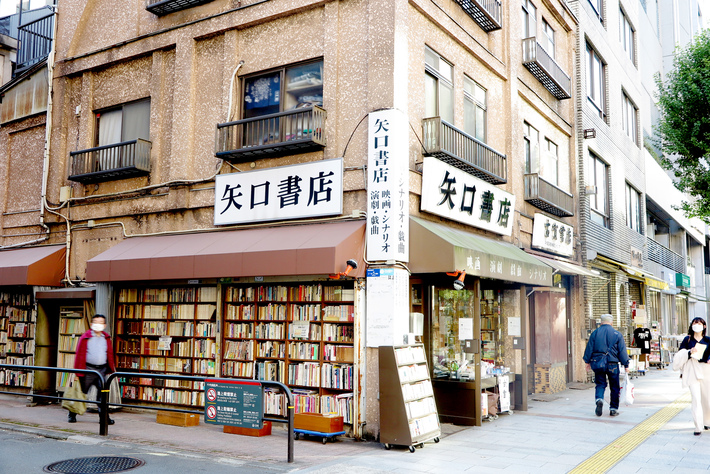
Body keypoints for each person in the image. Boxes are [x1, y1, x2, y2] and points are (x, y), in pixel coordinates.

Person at [70, 314, 116, 424]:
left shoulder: (106, 338)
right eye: (96, 322)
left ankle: (104, 418)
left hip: (102, 370)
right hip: (88, 369)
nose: (98, 325)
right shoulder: (85, 337)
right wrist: (77, 372)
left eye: (101, 323)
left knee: (103, 395)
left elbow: (109, 353)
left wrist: (111, 368)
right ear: (91, 324)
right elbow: (79, 355)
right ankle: (72, 414)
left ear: (104, 325)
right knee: (81, 393)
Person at [583, 314, 630, 417]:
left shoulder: (595, 333)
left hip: (598, 363)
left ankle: (599, 399)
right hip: (612, 364)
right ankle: (613, 409)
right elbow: (622, 351)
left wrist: (587, 361)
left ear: (601, 322)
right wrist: (626, 364)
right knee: (614, 386)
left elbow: (589, 348)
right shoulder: (617, 334)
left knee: (600, 384)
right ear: (611, 322)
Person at [673, 317, 710, 436]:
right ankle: (697, 426)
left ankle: (707, 421)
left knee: (707, 398)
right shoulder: (687, 340)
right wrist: (689, 352)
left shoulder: (708, 340)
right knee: (696, 398)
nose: (697, 325)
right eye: (695, 323)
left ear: (704, 326)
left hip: (706, 371)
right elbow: (680, 355)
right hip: (692, 371)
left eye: (700, 323)